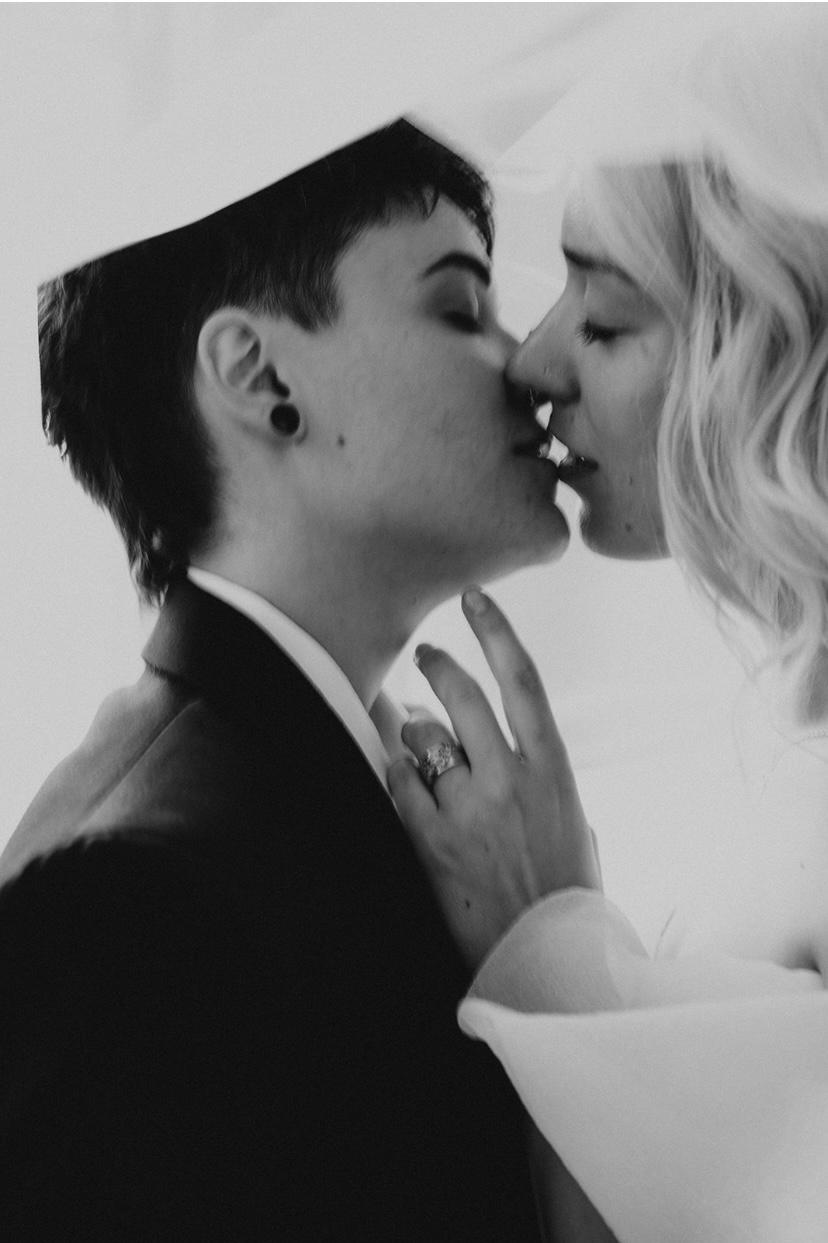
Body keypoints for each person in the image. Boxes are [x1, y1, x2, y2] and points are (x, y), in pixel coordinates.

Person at [0, 120, 568, 1240]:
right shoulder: (123, 904)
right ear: (262, 379)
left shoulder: (350, 787)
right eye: (462, 309)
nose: (534, 366)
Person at [391, 134, 828, 1240]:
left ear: (779, 353)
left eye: (606, 320)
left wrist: (545, 938)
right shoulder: (773, 720)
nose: (534, 363)